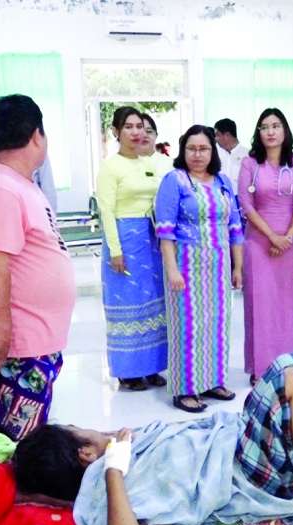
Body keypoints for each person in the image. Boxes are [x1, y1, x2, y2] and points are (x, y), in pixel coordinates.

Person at [12, 353, 293, 525]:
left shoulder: (113, 450)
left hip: (233, 445)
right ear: (84, 453)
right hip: (243, 474)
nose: (88, 427)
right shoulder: (102, 484)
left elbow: (120, 442)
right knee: (289, 379)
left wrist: (110, 448)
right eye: (77, 428)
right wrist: (113, 468)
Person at [0, 94, 75, 441]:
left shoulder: (17, 183)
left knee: (29, 440)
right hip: (16, 348)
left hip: (32, 341)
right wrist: (1, 336)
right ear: (37, 136)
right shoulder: (0, 189)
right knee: (14, 446)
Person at [154, 125, 245, 413]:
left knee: (217, 324)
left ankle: (212, 381)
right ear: (183, 151)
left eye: (203, 148)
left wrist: (238, 267)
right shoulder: (174, 180)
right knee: (188, 327)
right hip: (185, 263)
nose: (197, 154)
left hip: (219, 264)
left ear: (212, 151)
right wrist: (171, 269)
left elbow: (235, 227)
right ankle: (185, 389)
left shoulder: (223, 181)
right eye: (191, 148)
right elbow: (165, 230)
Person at [97, 106, 167, 392]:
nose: (136, 132)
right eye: (129, 127)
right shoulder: (110, 166)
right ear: (116, 131)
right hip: (124, 238)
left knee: (152, 302)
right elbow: (106, 210)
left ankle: (151, 366)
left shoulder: (148, 163)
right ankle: (128, 371)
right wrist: (115, 249)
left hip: (150, 239)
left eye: (140, 126)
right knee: (127, 303)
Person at [238, 108, 293, 384]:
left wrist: (287, 236)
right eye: (265, 127)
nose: (270, 131)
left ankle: (289, 365)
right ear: (258, 132)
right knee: (260, 305)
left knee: (289, 307)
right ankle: (261, 368)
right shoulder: (249, 163)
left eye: (276, 125)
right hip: (258, 243)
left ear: (285, 130)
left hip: (291, 243)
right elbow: (246, 205)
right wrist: (272, 236)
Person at [0, 143, 58, 213]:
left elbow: (48, 189)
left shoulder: (36, 150)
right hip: (0, 211)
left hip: (32, 211)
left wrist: (50, 220)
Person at [214, 118, 249, 186]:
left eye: (217, 135)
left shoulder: (248, 155)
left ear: (227, 135)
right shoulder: (214, 154)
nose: (215, 139)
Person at [139, 112, 174, 179]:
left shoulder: (169, 164)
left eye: (149, 131)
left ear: (156, 135)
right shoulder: (124, 164)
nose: (144, 135)